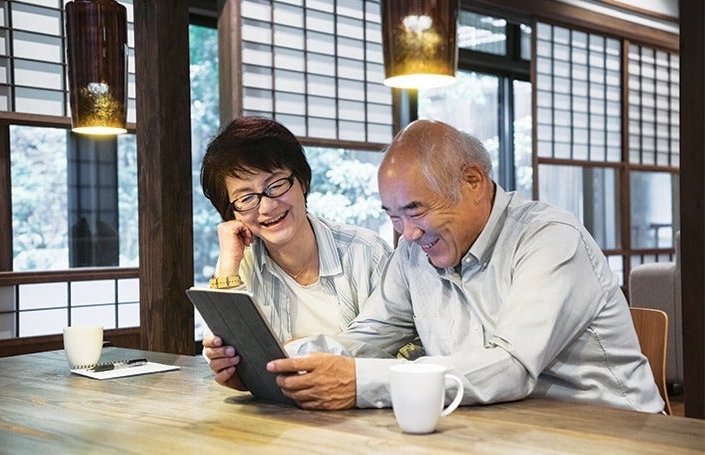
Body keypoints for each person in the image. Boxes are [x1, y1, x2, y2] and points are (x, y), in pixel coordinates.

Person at [266, 119, 665, 413]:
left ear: (473, 181)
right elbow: (368, 335)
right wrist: (285, 362)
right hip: (502, 429)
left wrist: (360, 382)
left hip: (613, 430)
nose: (406, 234)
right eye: (392, 216)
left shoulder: (548, 237)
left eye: (415, 210)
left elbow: (511, 367)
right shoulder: (413, 253)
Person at [200, 116, 392, 391]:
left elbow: (395, 346)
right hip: (278, 419)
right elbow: (226, 356)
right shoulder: (239, 261)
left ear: (301, 181)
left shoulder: (367, 253)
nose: (266, 207)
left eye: (275, 185)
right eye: (246, 198)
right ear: (232, 212)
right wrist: (228, 265)